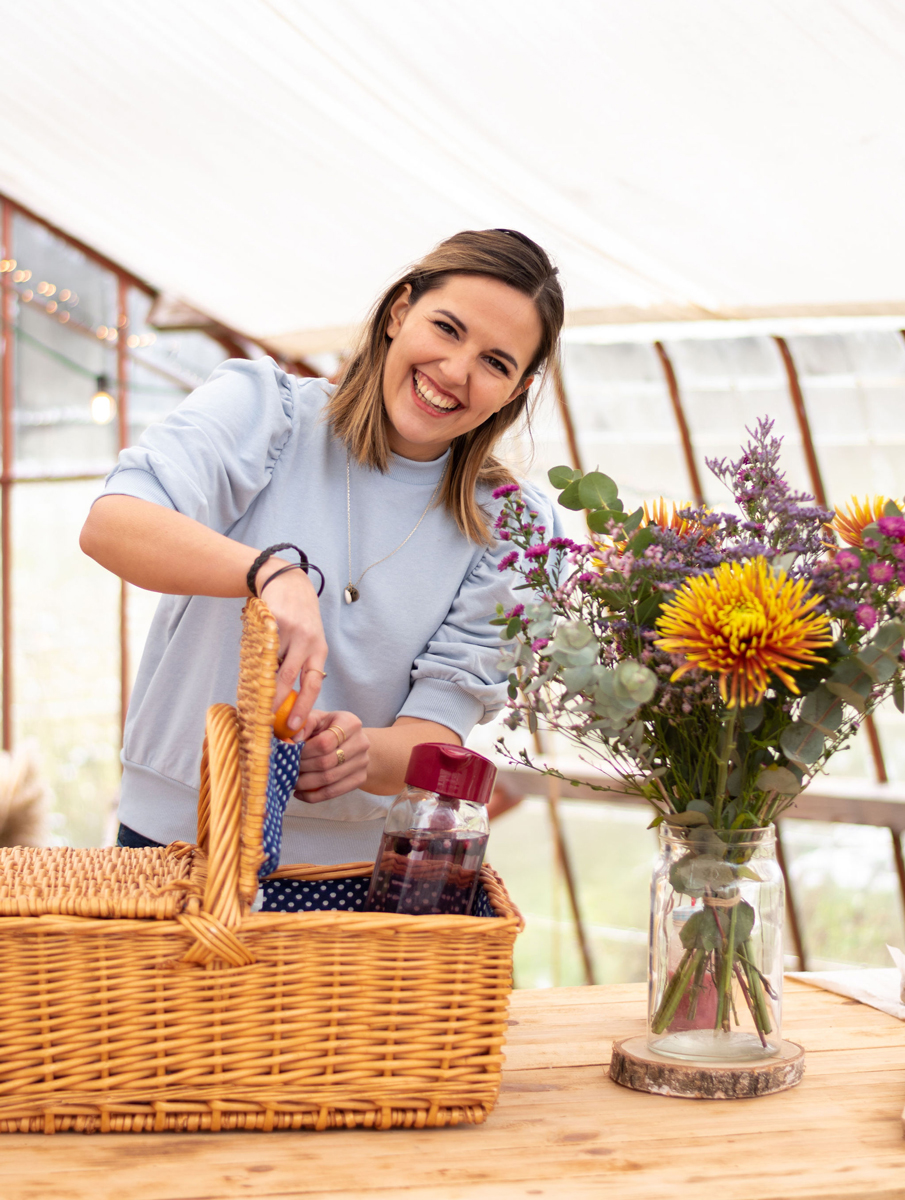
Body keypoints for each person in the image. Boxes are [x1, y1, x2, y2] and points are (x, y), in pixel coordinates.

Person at [80, 228, 564, 865]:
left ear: (518, 389)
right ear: (399, 313)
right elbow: (113, 525)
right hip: (168, 840)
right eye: (447, 328)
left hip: (348, 875)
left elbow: (437, 727)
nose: (455, 371)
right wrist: (270, 574)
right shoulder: (266, 413)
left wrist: (362, 754)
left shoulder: (514, 531)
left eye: (496, 363)